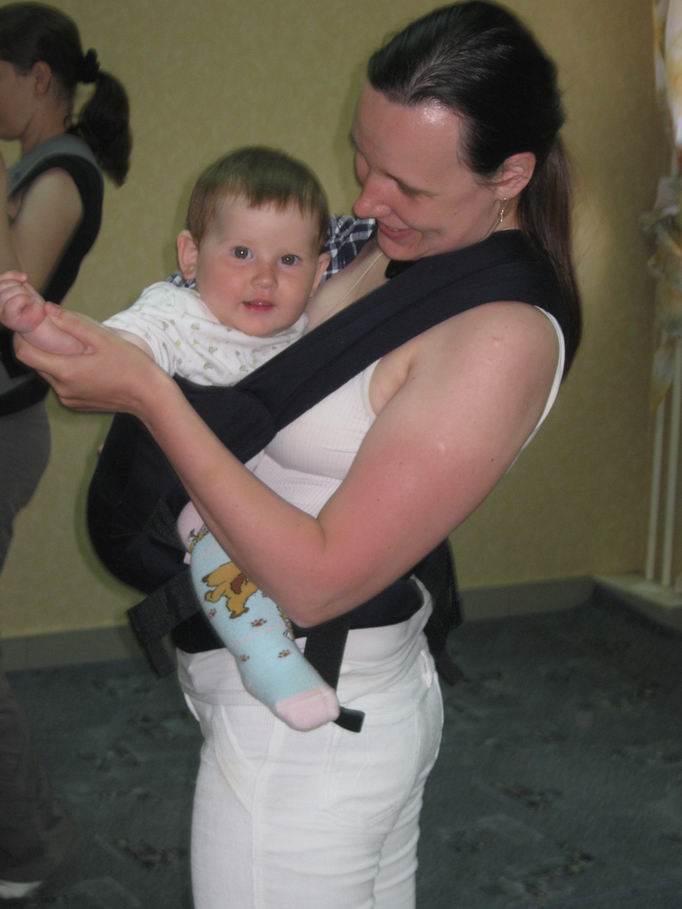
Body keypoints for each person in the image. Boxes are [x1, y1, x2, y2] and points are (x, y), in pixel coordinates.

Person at [8, 2, 582, 906]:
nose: (368, 201)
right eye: (364, 158)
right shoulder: (383, 248)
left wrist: (149, 396)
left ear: (509, 173)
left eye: (407, 186)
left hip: (309, 732)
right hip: (301, 699)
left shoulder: (500, 333)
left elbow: (317, 581)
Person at [0, 145, 343, 732]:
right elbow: (107, 353)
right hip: (198, 498)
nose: (264, 276)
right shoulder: (177, 315)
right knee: (213, 538)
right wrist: (42, 323)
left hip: (283, 501)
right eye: (241, 252)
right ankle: (268, 658)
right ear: (190, 255)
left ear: (318, 273)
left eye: (289, 260)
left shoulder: (307, 332)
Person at [0, 2, 131, 900]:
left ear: (36, 78)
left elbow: (10, 299)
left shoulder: (62, 172)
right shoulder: (32, 166)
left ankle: (30, 844)